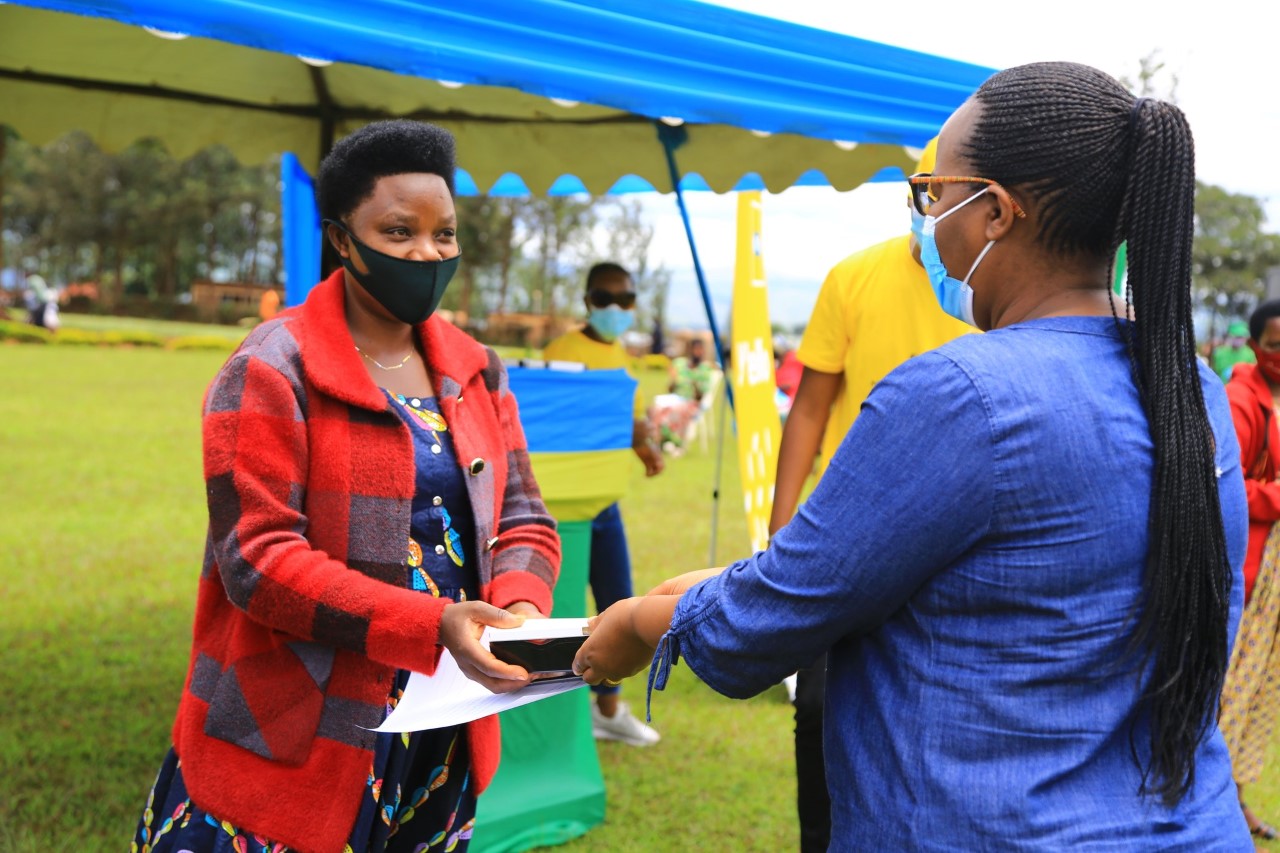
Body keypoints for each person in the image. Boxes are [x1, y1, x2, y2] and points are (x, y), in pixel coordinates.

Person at [574, 62, 1252, 849]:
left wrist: (635, 622)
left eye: (933, 192)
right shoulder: (1190, 385)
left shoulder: (963, 393)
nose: (927, 217)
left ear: (994, 211)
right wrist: (727, 585)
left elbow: (773, 619)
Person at [131, 120, 561, 853]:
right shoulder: (272, 366)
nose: (427, 253)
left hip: (440, 721)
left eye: (444, 234)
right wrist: (431, 626)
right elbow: (258, 561)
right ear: (341, 238)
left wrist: (519, 612)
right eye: (398, 232)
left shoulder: (475, 367)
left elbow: (523, 514)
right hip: (296, 717)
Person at [767, 139, 974, 852]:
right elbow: (810, 407)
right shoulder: (853, 276)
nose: (935, 211)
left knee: (930, 711)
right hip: (845, 531)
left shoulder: (993, 292)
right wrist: (780, 527)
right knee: (821, 705)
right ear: (915, 197)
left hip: (956, 537)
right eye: (928, 195)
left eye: (954, 196)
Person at [541, 263, 664, 746]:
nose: (615, 308)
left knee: (619, 599)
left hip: (605, 501)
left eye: (625, 299)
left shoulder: (618, 353)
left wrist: (645, 452)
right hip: (561, 508)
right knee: (557, 607)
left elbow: (626, 421)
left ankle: (607, 710)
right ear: (587, 299)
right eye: (604, 297)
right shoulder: (560, 352)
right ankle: (551, 715)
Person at [1221, 299, 1280, 843]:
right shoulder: (1241, 400)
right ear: (1255, 345)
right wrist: (1276, 497)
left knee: (1259, 695)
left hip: (1276, 581)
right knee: (1230, 696)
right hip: (1250, 571)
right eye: (1275, 344)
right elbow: (1222, 487)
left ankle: (1237, 801)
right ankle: (1221, 806)